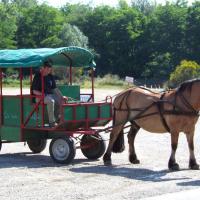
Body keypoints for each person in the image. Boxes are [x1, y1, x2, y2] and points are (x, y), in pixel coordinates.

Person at [31, 61, 61, 127]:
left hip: (49, 95)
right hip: (38, 96)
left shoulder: (50, 76)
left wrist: (61, 97)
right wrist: (43, 94)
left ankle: (59, 119)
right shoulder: (37, 76)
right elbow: (34, 91)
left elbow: (55, 89)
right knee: (51, 101)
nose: (48, 71)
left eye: (49, 69)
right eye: (47, 69)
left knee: (61, 100)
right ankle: (52, 122)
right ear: (43, 68)